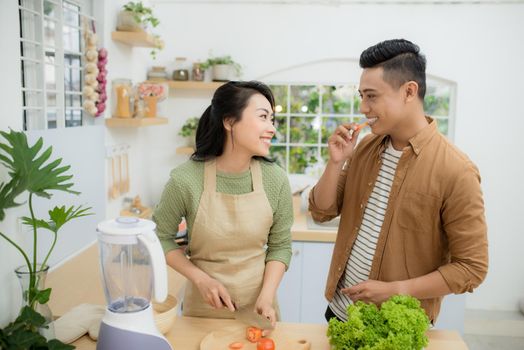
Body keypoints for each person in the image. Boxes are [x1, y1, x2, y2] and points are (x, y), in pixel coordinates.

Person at [309, 39, 488, 323]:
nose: (363, 107)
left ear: (408, 91)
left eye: (371, 96)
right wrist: (335, 162)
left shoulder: (457, 170)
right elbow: (322, 211)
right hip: (340, 313)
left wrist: (396, 291)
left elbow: (471, 268)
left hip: (397, 325)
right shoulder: (365, 148)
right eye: (361, 96)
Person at [153, 81, 293, 327]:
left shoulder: (276, 179)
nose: (271, 128)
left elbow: (280, 246)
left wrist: (267, 296)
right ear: (229, 122)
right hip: (202, 312)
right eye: (263, 117)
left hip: (260, 310)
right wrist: (200, 279)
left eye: (272, 120)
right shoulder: (186, 179)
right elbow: (159, 237)